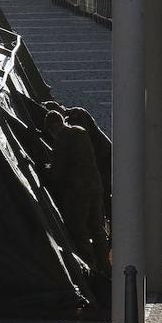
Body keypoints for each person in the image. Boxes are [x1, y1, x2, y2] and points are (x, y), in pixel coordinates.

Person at [40, 107, 109, 273]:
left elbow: (58, 171)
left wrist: (44, 170)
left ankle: (89, 267)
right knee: (97, 228)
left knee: (79, 230)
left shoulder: (63, 139)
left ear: (53, 127)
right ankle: (105, 266)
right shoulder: (81, 132)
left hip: (78, 192)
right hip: (95, 187)